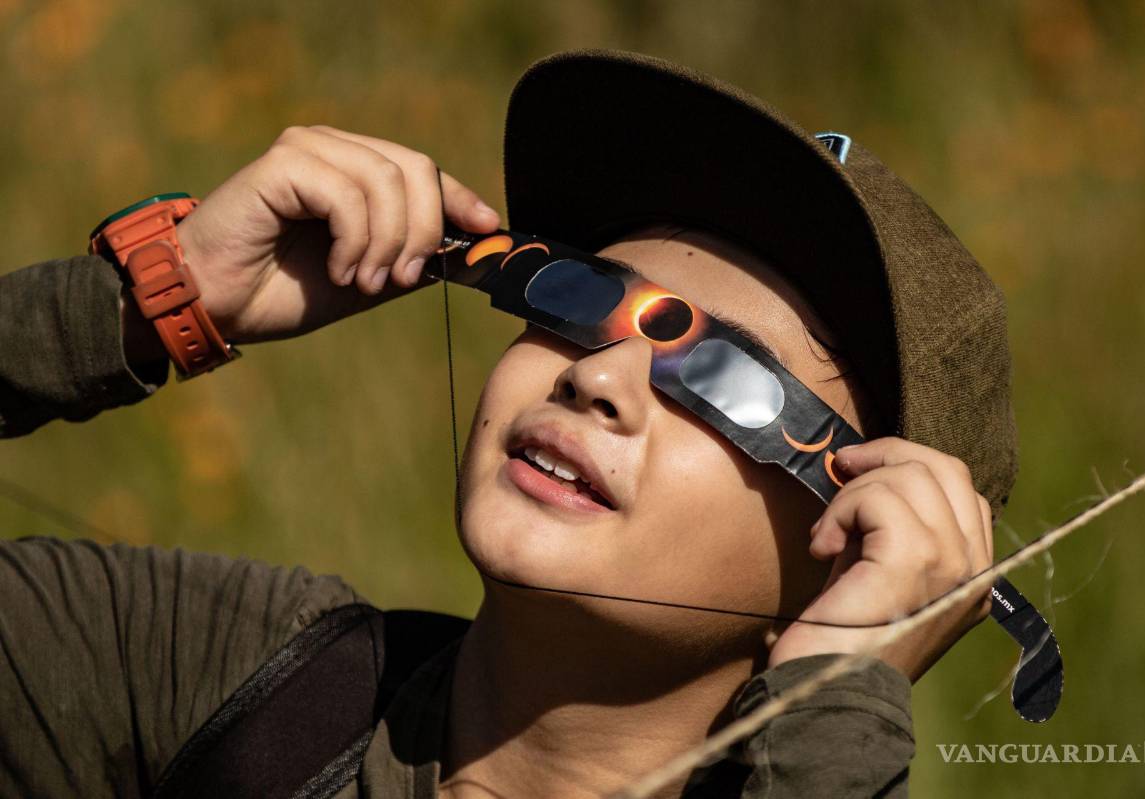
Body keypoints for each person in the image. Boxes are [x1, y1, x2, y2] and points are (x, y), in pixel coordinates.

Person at [0, 50, 1014, 797]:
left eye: (728, 377)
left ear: (862, 547)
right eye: (580, 300)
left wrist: (833, 724)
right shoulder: (231, 681)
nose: (599, 377)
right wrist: (146, 307)